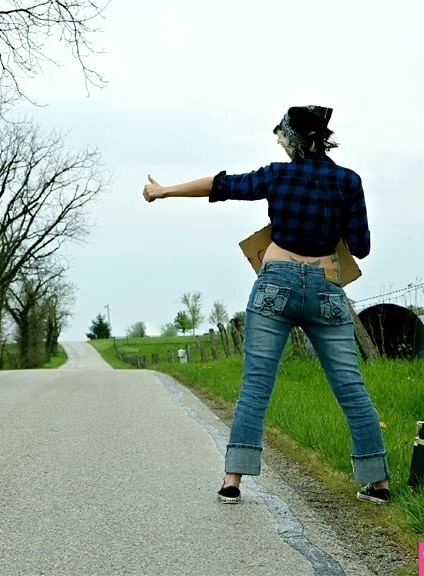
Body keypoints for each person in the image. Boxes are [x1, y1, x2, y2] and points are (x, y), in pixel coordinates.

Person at [142, 105, 391, 505]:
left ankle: (232, 481)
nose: (278, 140)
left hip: (276, 284)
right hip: (326, 289)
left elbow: (221, 185)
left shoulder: (277, 175)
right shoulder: (348, 181)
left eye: (281, 135)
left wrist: (164, 190)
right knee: (351, 387)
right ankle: (378, 483)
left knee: (256, 385)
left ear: (292, 139)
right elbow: (360, 247)